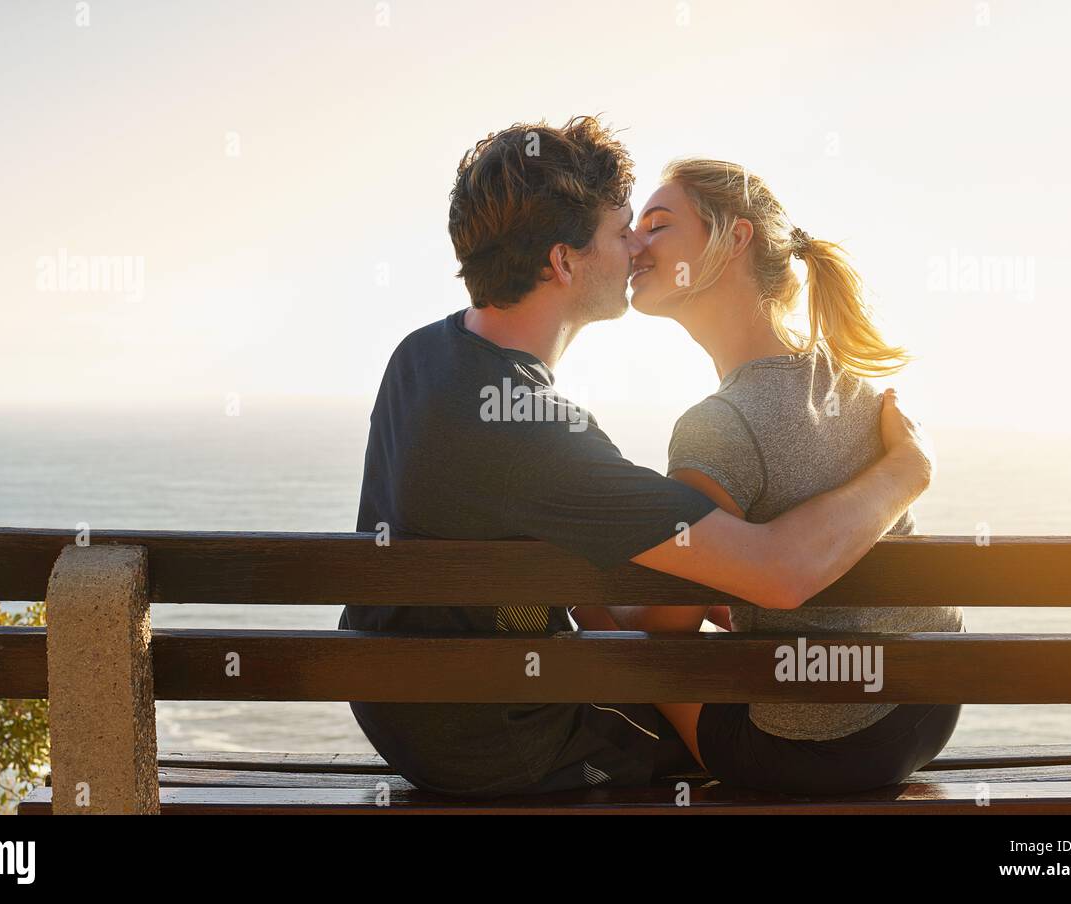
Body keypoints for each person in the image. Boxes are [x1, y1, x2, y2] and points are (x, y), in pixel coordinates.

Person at [338, 116, 934, 797]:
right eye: (623, 229)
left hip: (405, 708)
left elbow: (558, 559)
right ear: (564, 261)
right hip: (503, 742)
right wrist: (908, 469)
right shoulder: (538, 435)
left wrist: (697, 581)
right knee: (701, 704)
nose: (635, 248)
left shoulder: (423, 355)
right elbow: (781, 572)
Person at [597, 157, 963, 794]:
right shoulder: (857, 387)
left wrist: (590, 603)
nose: (635, 244)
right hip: (931, 704)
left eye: (657, 225)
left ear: (735, 239)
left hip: (813, 748)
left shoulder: (716, 425)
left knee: (613, 643)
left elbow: (664, 631)